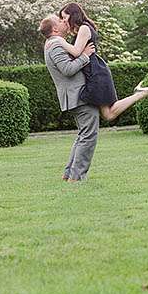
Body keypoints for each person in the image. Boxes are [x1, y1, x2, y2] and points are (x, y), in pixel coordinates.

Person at [54, 2, 148, 121]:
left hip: (96, 74)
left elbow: (76, 52)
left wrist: (58, 40)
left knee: (109, 115)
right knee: (108, 115)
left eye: (64, 17)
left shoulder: (84, 28)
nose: (63, 21)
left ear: (73, 15)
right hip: (94, 72)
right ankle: (141, 93)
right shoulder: (82, 29)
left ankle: (142, 93)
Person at [39, 14, 98, 183]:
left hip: (75, 96)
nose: (64, 21)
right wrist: (85, 56)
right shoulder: (55, 45)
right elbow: (67, 69)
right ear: (55, 29)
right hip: (78, 96)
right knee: (88, 136)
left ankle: (69, 174)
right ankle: (76, 177)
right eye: (60, 21)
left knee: (83, 135)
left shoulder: (55, 43)